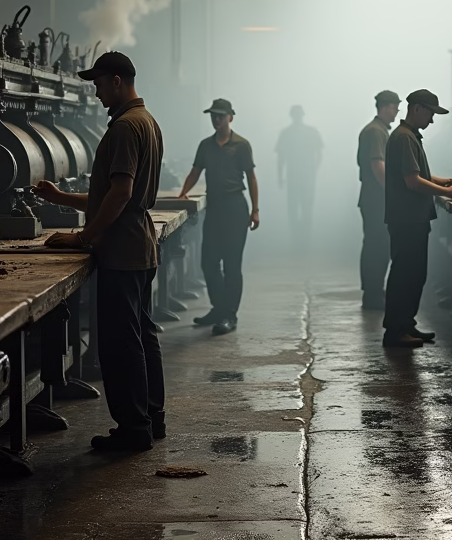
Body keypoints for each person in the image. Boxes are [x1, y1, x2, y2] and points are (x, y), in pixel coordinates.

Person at [34, 51, 165, 452]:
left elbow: (121, 193)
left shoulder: (124, 127)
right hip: (138, 245)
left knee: (120, 344)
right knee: (141, 335)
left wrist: (83, 237)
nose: (96, 93)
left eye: (99, 84)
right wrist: (61, 197)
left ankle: (133, 429)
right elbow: (111, 194)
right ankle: (152, 418)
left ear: (117, 81)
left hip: (122, 250)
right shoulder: (147, 121)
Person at [382, 89, 452, 349]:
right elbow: (412, 182)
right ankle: (395, 332)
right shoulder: (404, 138)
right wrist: (448, 192)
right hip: (407, 219)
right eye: (430, 113)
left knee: (414, 274)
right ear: (417, 108)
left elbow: (418, 174)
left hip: (411, 218)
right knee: (405, 274)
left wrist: (442, 181)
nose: (432, 120)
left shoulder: (407, 136)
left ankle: (406, 325)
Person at [178, 98, 260, 336]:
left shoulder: (241, 145)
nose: (216, 120)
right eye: (213, 116)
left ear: (230, 117)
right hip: (214, 208)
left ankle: (229, 315)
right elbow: (195, 172)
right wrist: (183, 194)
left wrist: (255, 210)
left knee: (232, 265)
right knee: (209, 262)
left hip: (235, 207)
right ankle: (219, 308)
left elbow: (251, 177)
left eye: (220, 116)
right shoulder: (206, 145)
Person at [356, 90, 401, 311]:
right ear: (386, 107)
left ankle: (373, 292)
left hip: (373, 197)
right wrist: (394, 195)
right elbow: (378, 166)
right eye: (395, 107)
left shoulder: (377, 130)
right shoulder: (376, 132)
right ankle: (373, 295)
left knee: (376, 245)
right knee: (378, 247)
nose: (397, 112)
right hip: (377, 199)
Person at [275, 105, 323, 247]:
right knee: (305, 208)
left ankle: (298, 240)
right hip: (304, 176)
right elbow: (319, 154)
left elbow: (281, 158)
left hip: (296, 176)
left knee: (295, 208)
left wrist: (280, 176)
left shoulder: (286, 133)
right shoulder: (310, 132)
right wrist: (314, 169)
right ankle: (303, 240)